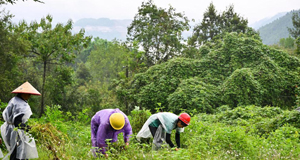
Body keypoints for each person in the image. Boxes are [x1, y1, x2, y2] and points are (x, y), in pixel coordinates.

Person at [1, 81, 40, 160]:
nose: (29, 96)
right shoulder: (20, 105)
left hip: (10, 130)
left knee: (17, 152)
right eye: (28, 94)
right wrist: (29, 128)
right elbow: (17, 123)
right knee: (17, 153)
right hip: (15, 132)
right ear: (23, 93)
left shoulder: (14, 99)